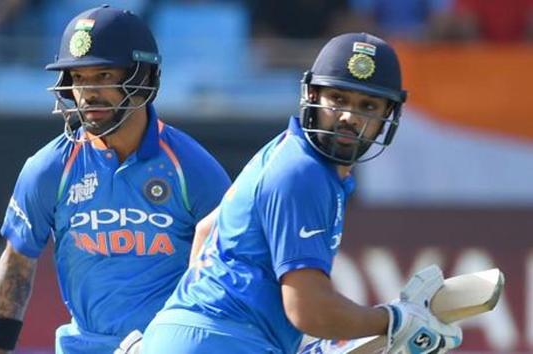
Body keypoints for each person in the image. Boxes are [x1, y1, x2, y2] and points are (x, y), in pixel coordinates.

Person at [139, 33, 463, 354]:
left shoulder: (286, 152)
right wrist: (393, 320)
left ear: (386, 117)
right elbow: (309, 311)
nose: (350, 117)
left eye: (367, 105)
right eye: (337, 99)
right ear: (311, 94)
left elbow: (207, 230)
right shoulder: (304, 172)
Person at [0, 5, 230, 353]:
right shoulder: (50, 168)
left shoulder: (192, 168)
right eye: (79, 78)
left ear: (142, 78)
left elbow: (231, 267)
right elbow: (18, 261)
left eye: (103, 76)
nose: (89, 93)